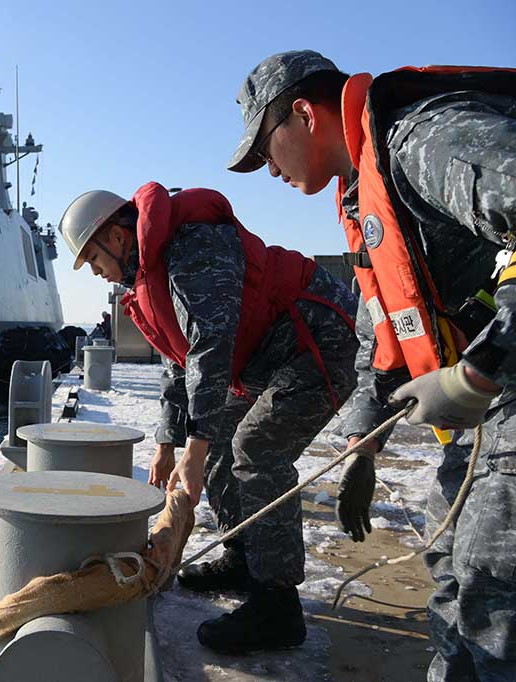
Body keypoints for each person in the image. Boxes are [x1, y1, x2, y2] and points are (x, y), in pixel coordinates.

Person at [229, 50, 515, 680]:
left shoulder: (425, 139)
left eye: (265, 150)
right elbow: (378, 339)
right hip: (477, 427)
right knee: (452, 576)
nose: (266, 171)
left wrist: (484, 366)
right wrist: (362, 445)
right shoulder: (365, 195)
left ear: (303, 114)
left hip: (505, 403)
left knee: (493, 597)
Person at [59, 182, 359, 654]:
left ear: (116, 237)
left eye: (94, 261)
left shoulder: (192, 242)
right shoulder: (145, 276)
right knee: (220, 444)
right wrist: (166, 443)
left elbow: (211, 343)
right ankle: (244, 556)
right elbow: (178, 362)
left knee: (256, 450)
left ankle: (278, 607)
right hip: (269, 360)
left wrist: (195, 446)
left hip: (317, 341)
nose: (97, 273)